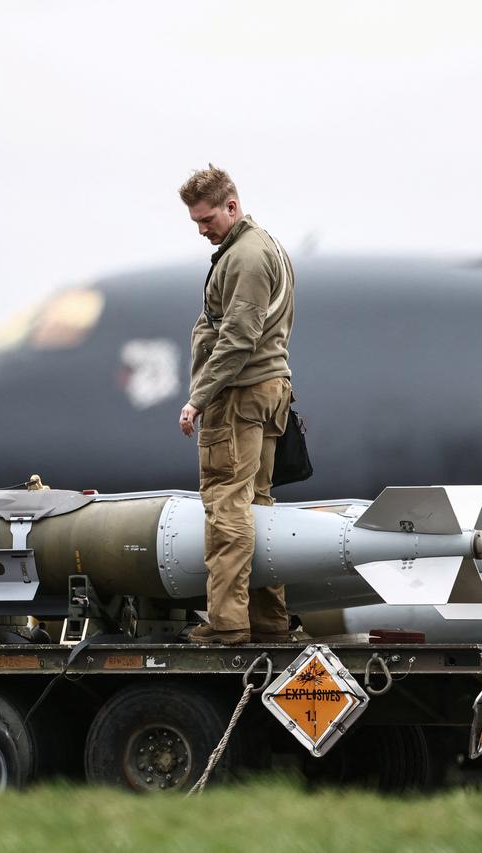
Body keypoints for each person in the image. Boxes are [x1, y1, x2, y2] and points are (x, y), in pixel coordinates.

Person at [178, 165, 295, 646]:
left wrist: (197, 398)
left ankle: (227, 624)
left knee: (226, 505)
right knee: (258, 508)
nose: (202, 230)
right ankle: (268, 620)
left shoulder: (245, 257)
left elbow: (238, 337)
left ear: (231, 205)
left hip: (240, 395)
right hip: (269, 391)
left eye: (206, 219)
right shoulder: (265, 247)